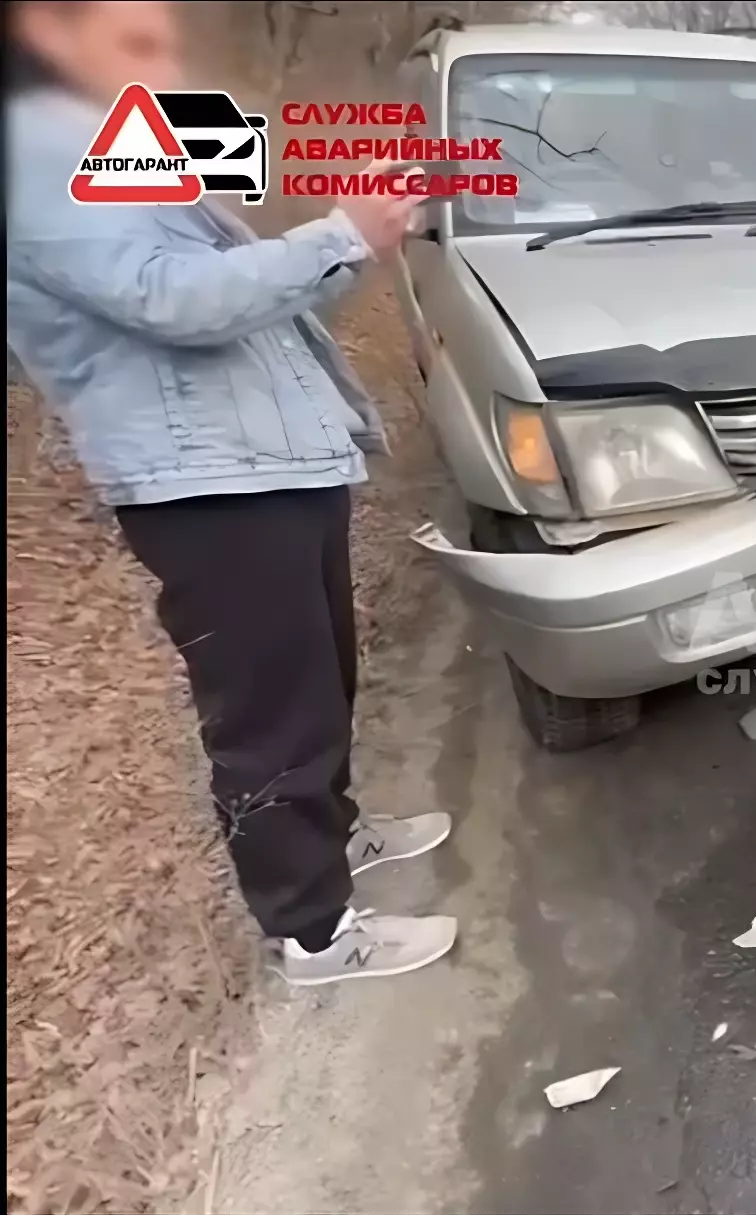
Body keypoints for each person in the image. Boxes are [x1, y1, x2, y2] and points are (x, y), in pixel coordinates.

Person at [6, 0, 458, 985]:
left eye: (164, 41)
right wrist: (339, 230)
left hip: (270, 461)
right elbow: (172, 301)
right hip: (204, 483)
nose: (160, 62)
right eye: (133, 43)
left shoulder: (123, 147)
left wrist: (354, 245)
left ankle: (334, 838)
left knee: (319, 678)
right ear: (47, 34)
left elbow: (256, 302)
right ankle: (313, 934)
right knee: (270, 711)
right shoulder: (36, 147)